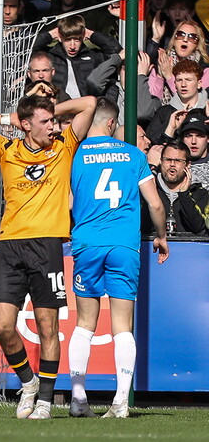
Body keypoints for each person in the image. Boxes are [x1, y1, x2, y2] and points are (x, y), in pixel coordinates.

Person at [0, 94, 97, 420]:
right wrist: (10, 118)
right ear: (26, 125)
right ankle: (29, 383)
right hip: (11, 246)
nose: (52, 126)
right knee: (3, 325)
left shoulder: (64, 146)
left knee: (48, 328)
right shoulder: (7, 149)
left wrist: (48, 111)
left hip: (47, 247)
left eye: (53, 121)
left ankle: (46, 402)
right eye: (45, 122)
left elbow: (89, 103)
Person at [67, 98, 170, 419]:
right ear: (112, 123)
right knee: (122, 326)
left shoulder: (74, 154)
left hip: (87, 243)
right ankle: (121, 402)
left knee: (84, 323)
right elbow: (154, 203)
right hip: (124, 246)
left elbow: (68, 203)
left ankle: (78, 398)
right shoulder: (134, 156)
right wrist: (162, 236)